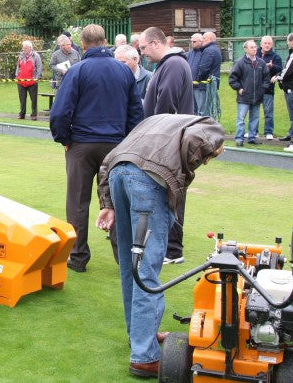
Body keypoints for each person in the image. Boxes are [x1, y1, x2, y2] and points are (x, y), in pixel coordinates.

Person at [95, 114, 225, 378]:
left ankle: (141, 335)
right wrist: (194, 166)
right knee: (147, 272)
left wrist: (107, 203)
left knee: (131, 266)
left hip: (119, 174)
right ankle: (144, 356)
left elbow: (109, 159)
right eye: (211, 158)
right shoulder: (211, 127)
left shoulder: (154, 122)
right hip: (148, 181)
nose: (208, 161)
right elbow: (194, 142)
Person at [49, 24, 144, 273]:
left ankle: (78, 256)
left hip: (81, 144)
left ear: (82, 45)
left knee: (77, 202)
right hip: (115, 145)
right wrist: (129, 143)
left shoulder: (77, 71)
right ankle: (124, 258)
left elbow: (60, 111)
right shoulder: (123, 72)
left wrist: (64, 138)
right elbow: (136, 112)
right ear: (105, 42)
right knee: (117, 201)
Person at [138, 27, 194, 264]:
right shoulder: (169, 64)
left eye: (143, 48)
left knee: (172, 192)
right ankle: (169, 247)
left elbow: (167, 101)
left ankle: (172, 249)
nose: (142, 54)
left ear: (155, 43)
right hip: (170, 140)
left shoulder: (172, 65)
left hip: (171, 142)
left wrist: (156, 136)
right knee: (167, 191)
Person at [229, 40, 270, 147]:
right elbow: (232, 79)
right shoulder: (240, 63)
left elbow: (266, 78)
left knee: (255, 118)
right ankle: (239, 139)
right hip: (244, 96)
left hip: (257, 96)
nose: (254, 49)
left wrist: (263, 89)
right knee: (241, 119)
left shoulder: (261, 63)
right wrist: (239, 88)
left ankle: (252, 137)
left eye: (255, 47)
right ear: (245, 49)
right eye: (251, 47)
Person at [187, 31, 222, 115]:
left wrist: (197, 79)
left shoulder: (208, 51)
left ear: (210, 39)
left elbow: (204, 68)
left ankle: (203, 127)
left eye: (204, 38)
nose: (203, 40)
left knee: (203, 110)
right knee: (197, 109)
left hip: (202, 85)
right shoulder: (214, 49)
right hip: (200, 85)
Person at [256, 35, 283, 140]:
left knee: (268, 112)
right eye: (265, 43)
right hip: (255, 88)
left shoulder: (275, 57)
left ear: (272, 45)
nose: (267, 45)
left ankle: (268, 131)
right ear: (261, 44)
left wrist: (272, 67)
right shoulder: (256, 54)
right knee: (254, 111)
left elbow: (280, 70)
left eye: (269, 43)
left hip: (268, 89)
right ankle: (253, 131)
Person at [15, 40, 42, 120]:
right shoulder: (21, 55)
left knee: (33, 99)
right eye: (23, 48)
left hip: (32, 81)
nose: (24, 50)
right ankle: (22, 114)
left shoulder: (36, 56)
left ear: (30, 48)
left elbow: (39, 67)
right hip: (21, 81)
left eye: (25, 48)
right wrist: (17, 76)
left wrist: (36, 78)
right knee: (22, 99)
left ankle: (34, 114)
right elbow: (18, 66)